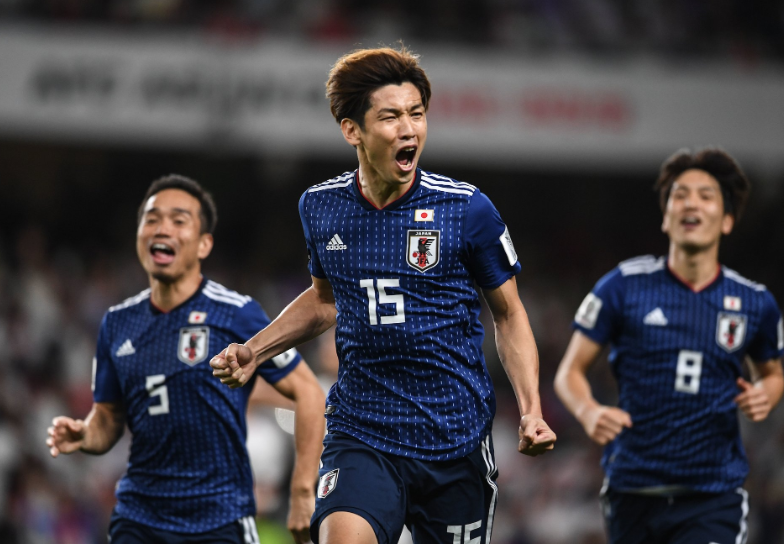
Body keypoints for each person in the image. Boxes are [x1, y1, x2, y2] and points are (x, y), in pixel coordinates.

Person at [210, 46, 556, 544]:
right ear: (352, 130)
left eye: (417, 114)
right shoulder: (321, 207)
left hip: (454, 436)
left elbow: (509, 314)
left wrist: (531, 410)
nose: (409, 128)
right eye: (391, 116)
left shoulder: (466, 210)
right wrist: (254, 349)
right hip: (363, 430)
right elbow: (324, 300)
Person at [46, 175, 326, 544]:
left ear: (204, 244)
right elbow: (109, 419)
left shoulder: (236, 314)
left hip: (220, 518)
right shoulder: (116, 323)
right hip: (139, 517)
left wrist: (303, 492)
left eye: (179, 221)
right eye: (152, 219)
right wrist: (86, 434)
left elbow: (308, 392)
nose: (162, 228)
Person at [554, 148, 784, 544]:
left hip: (713, 495)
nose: (691, 202)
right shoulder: (623, 285)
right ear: (666, 216)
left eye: (705, 195)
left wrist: (767, 393)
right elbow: (569, 372)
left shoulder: (754, 302)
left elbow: (773, 374)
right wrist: (588, 410)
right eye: (680, 194)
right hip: (633, 490)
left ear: (727, 220)